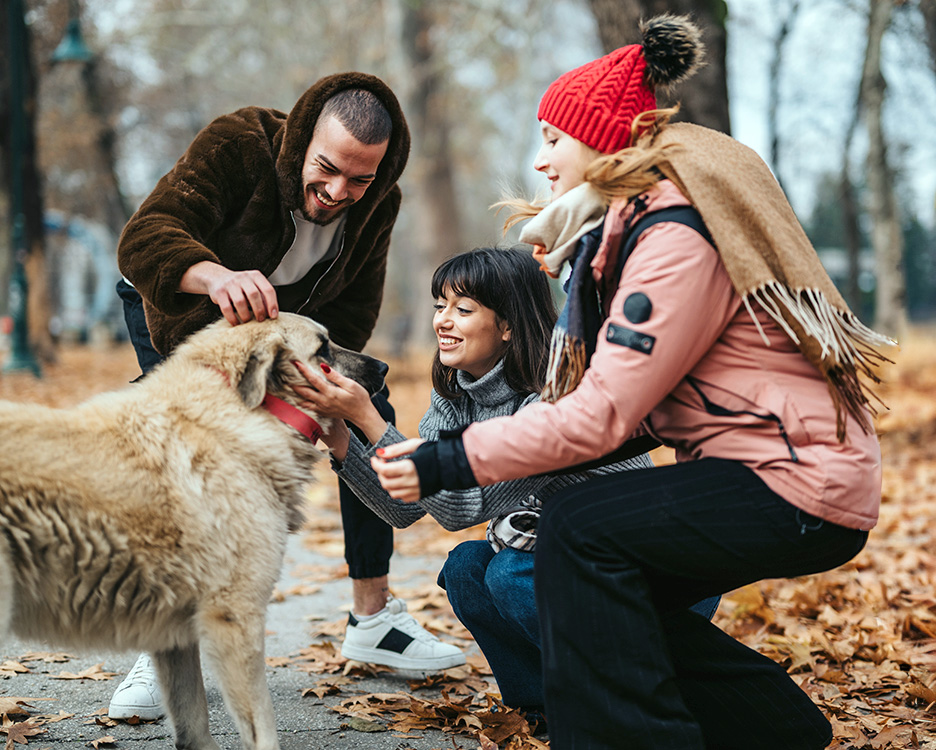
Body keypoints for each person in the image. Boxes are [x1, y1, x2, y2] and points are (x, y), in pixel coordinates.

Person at [370, 15, 892, 750]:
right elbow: (633, 407)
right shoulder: (636, 236)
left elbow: (605, 414)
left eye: (555, 139)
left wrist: (444, 458)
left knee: (581, 534)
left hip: (795, 483)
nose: (542, 162)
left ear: (606, 141)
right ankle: (773, 726)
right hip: (770, 472)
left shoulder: (671, 238)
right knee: (584, 572)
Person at [110, 72, 464, 721]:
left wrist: (321, 394)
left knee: (366, 404)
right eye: (326, 170)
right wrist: (217, 276)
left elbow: (352, 315)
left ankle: (373, 618)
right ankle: (164, 636)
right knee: (182, 436)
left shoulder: (377, 202)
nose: (337, 193)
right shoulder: (239, 141)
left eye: (359, 180)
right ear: (302, 140)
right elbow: (143, 239)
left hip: (281, 336)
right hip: (176, 304)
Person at [292, 246, 717, 722]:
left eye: (463, 309)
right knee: (467, 569)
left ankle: (622, 700)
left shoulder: (553, 400)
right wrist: (342, 440)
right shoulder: (456, 392)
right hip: (577, 567)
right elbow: (404, 509)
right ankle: (541, 704)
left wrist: (368, 417)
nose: (443, 322)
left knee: (508, 573)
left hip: (653, 577)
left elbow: (458, 509)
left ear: (509, 325)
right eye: (439, 306)